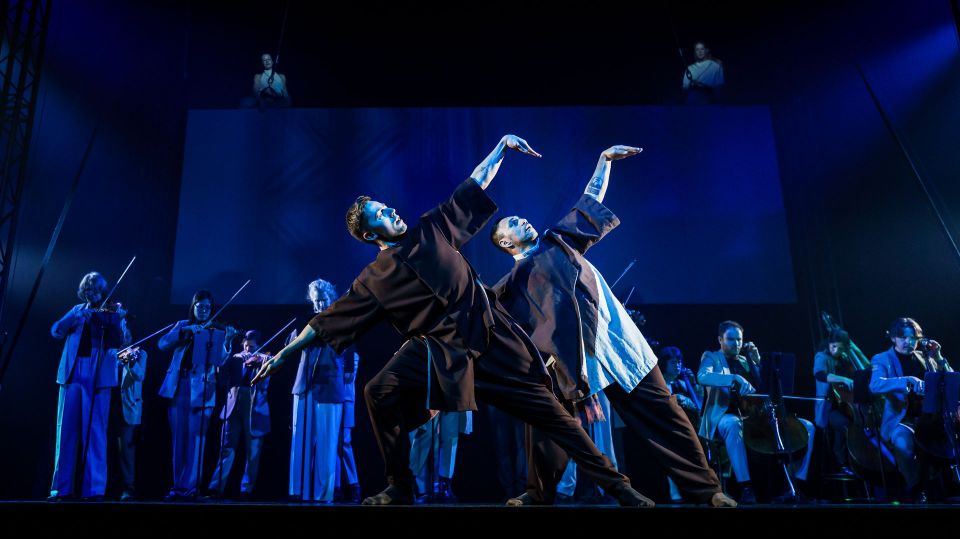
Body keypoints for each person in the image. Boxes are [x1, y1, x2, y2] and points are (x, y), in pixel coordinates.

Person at [254, 134, 652, 507]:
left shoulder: (433, 230)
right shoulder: (372, 280)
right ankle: (399, 485)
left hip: (491, 337)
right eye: (381, 214)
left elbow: (474, 184)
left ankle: (619, 487)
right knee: (378, 390)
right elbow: (327, 321)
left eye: (386, 206)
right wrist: (283, 355)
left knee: (553, 417)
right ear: (371, 234)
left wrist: (501, 147)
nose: (391, 210)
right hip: (438, 352)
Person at [490, 145, 732, 507]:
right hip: (567, 362)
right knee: (546, 425)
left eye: (521, 217)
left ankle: (708, 490)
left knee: (665, 414)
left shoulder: (559, 241)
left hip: (615, 341)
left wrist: (603, 162)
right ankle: (537, 494)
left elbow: (588, 203)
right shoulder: (509, 286)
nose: (523, 220)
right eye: (513, 222)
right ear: (506, 242)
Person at [698, 320, 815, 503]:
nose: (736, 344)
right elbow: (703, 376)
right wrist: (733, 378)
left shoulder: (746, 361)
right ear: (720, 339)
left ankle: (797, 483)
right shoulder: (711, 357)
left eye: (739, 339)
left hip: (755, 417)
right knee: (733, 424)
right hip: (724, 415)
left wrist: (757, 361)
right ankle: (746, 487)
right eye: (731, 339)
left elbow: (764, 387)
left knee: (807, 427)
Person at [49, 272, 126, 500]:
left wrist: (114, 320)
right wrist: (75, 316)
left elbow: (121, 340)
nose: (90, 292)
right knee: (65, 431)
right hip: (72, 370)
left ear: (102, 291)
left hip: (98, 372)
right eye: (87, 289)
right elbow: (56, 331)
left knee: (95, 431)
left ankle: (94, 489)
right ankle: (61, 488)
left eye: (95, 288)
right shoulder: (77, 309)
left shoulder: (111, 312)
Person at [158, 290, 239, 500]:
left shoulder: (215, 330)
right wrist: (183, 332)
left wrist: (227, 341)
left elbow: (220, 361)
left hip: (203, 390)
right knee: (179, 440)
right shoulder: (182, 325)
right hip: (178, 387)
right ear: (193, 307)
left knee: (196, 441)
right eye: (200, 306)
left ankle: (190, 488)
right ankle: (177, 487)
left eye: (207, 308)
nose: (203, 311)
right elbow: (162, 344)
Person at [288, 278, 359, 503]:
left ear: (331, 299)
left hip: (329, 385)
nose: (319, 305)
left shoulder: (342, 322)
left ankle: (323, 493)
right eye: (316, 301)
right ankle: (298, 491)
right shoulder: (306, 322)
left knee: (328, 444)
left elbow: (348, 354)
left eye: (323, 300)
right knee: (300, 441)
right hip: (304, 385)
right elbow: (290, 347)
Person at [869, 317, 953, 501]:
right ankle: (917, 489)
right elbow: (875, 385)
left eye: (913, 338)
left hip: (932, 418)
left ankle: (943, 487)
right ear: (893, 338)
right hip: (903, 419)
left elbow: (950, 379)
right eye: (903, 337)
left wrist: (938, 357)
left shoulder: (924, 357)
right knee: (903, 445)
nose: (908, 342)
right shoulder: (882, 358)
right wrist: (906, 380)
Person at [207, 330, 271, 499]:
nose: (248, 349)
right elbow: (221, 373)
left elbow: (271, 365)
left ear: (259, 346)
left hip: (255, 405)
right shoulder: (235, 358)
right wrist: (236, 356)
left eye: (252, 347)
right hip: (233, 403)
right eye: (246, 345)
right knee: (226, 447)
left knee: (253, 451)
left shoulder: (265, 358)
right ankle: (216, 487)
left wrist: (261, 359)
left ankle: (246, 489)